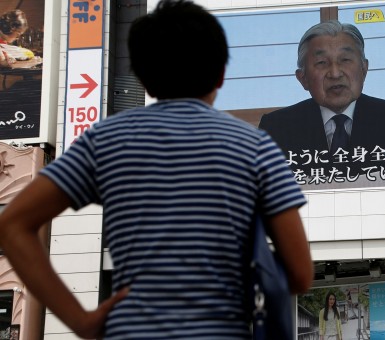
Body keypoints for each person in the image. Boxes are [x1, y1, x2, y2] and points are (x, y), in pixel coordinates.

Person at [0, 1, 313, 339]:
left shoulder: (105, 141)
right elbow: (299, 273)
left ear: (144, 79)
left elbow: (14, 225)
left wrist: (80, 320)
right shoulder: (255, 147)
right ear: (221, 73)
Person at [259, 20, 385, 186]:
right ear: (303, 79)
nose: (335, 73)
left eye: (345, 60)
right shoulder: (276, 128)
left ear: (364, 69)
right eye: (321, 63)